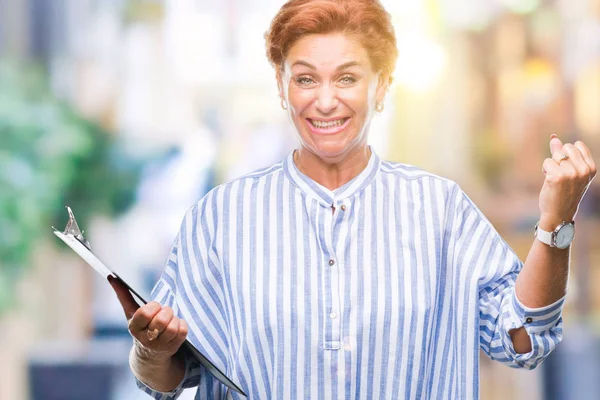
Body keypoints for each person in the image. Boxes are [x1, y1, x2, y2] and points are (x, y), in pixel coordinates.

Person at [109, 0, 597, 398]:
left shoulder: (440, 209)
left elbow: (524, 340)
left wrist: (556, 223)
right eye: (305, 78)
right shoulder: (220, 217)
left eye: (347, 77)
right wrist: (151, 352)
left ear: (381, 86)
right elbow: (165, 379)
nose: (325, 101)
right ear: (282, 86)